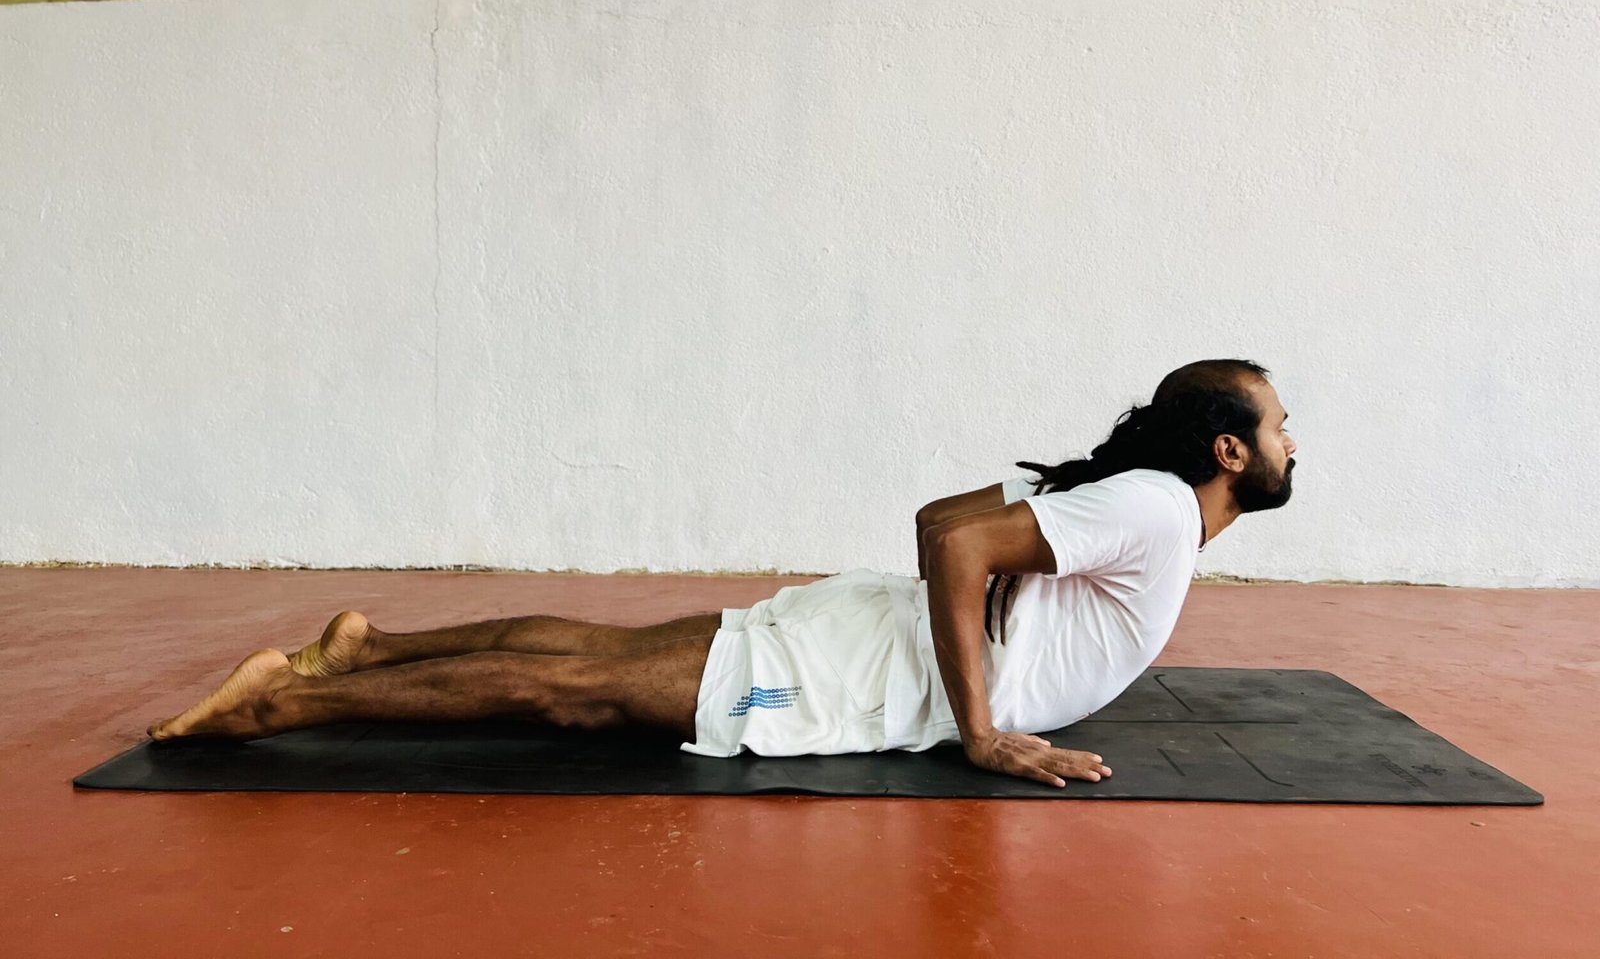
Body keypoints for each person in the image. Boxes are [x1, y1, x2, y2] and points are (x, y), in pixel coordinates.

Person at [148, 358, 1296, 789]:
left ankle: (367, 648)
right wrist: (983, 728)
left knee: (596, 654)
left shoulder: (1133, 504)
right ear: (1228, 451)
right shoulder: (1153, 506)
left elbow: (943, 521)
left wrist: (962, 616)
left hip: (866, 636)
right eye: (1282, 424)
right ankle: (280, 705)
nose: (1298, 439)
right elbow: (954, 542)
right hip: (856, 677)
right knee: (575, 691)